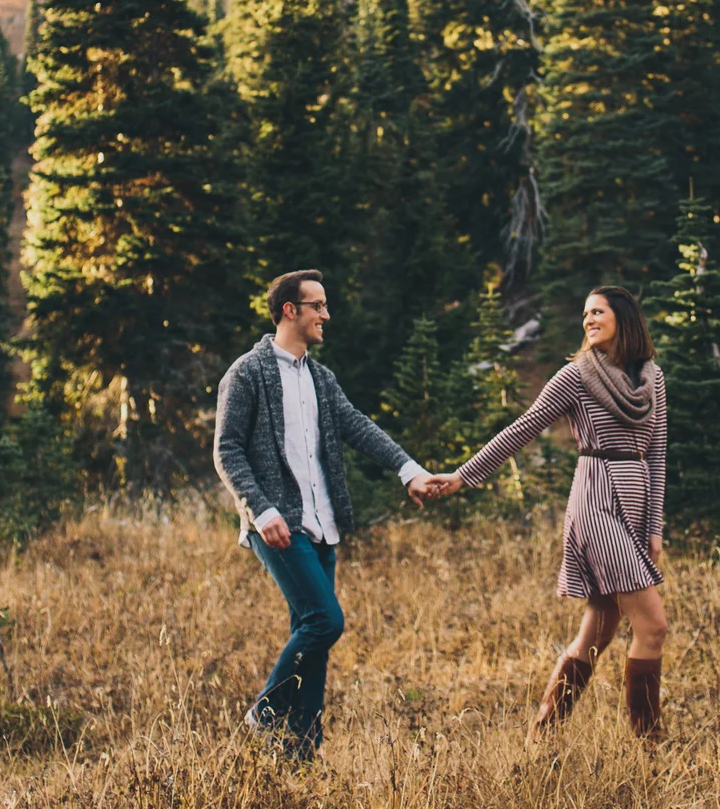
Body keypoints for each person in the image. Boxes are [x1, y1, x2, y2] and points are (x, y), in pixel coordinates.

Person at [213, 268, 451, 758]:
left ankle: (301, 751)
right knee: (325, 622)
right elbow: (227, 450)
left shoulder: (321, 378)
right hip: (277, 524)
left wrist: (410, 471)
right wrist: (260, 510)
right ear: (289, 311)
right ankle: (267, 712)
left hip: (323, 524)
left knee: (311, 633)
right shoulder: (247, 373)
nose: (327, 314)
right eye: (317, 305)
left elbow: (358, 427)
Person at [432, 285, 669, 739]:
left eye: (597, 311)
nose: (588, 320)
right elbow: (523, 428)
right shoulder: (576, 376)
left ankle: (544, 732)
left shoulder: (651, 377)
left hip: (635, 502)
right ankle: (651, 746)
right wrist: (464, 475)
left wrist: (654, 526)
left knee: (598, 631)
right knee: (653, 626)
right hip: (596, 503)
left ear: (624, 317)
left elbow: (657, 453)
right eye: (585, 313)